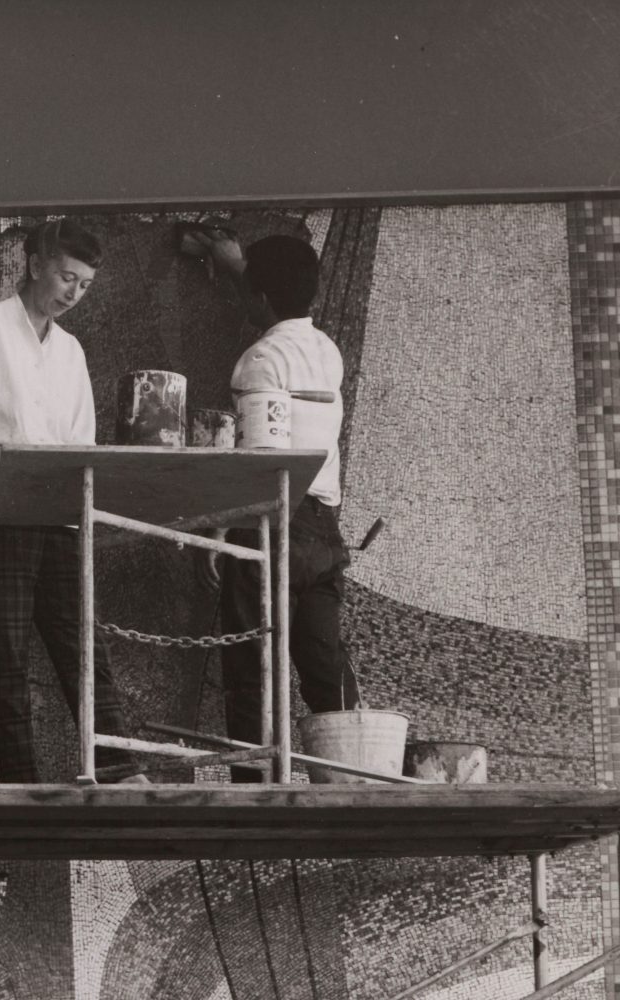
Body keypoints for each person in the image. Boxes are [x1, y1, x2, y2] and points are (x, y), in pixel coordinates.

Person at [0, 218, 147, 785]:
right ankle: (21, 786)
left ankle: (120, 773)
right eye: (67, 277)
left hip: (57, 513)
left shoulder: (71, 351)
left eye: (85, 285)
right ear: (35, 265)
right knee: (7, 660)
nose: (73, 293)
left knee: (83, 649)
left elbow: (81, 446)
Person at [197, 233, 360, 781]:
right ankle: (352, 773)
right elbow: (279, 298)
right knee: (324, 665)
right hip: (323, 529)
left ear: (260, 298)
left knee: (251, 666)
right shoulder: (327, 351)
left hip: (272, 522)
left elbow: (259, 462)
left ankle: (255, 788)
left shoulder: (260, 359)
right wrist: (242, 268)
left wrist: (220, 529)